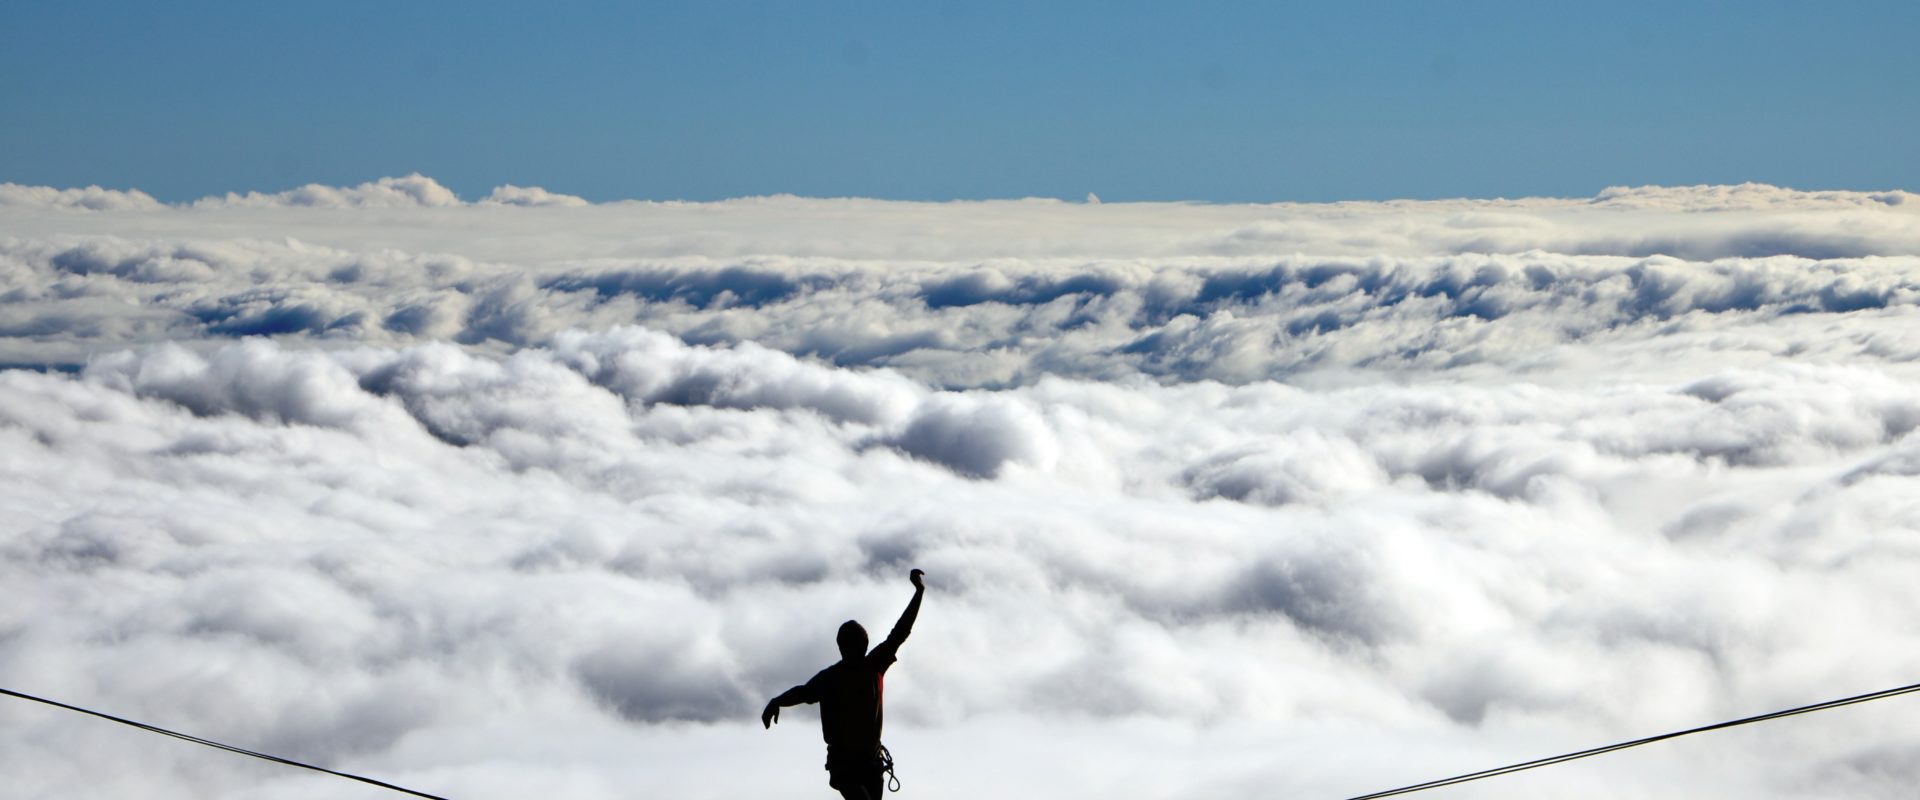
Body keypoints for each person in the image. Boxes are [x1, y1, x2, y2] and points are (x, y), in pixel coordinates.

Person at [763, 569, 926, 799]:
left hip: (871, 765)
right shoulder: (838, 676)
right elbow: (803, 693)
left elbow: (900, 632)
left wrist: (919, 593)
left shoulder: (866, 668)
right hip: (846, 769)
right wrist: (777, 701)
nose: (852, 651)